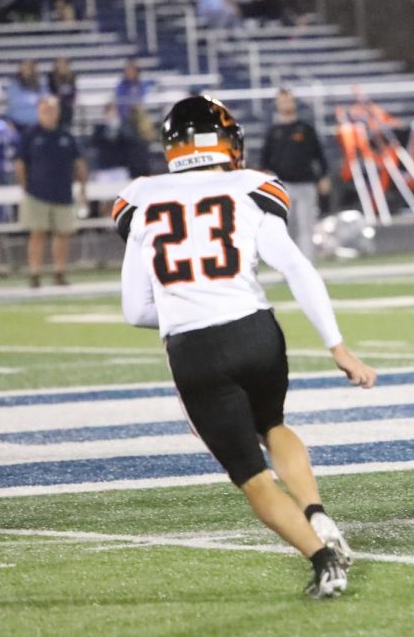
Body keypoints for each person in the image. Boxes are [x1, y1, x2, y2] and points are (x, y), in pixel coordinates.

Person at [112, 95, 374, 598]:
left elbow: (135, 311)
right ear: (226, 141)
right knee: (272, 425)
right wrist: (337, 346)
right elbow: (298, 268)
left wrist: (183, 309)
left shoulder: (140, 199)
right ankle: (316, 512)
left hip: (195, 348)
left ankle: (324, 562)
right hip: (256, 331)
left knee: (253, 478)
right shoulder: (249, 187)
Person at [13, 95, 88, 288]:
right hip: (37, 193)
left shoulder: (66, 136)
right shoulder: (31, 135)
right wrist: (25, 187)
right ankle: (34, 273)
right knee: (37, 234)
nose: (49, 114)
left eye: (53, 110)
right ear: (39, 111)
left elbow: (79, 163)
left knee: (62, 234)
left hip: (62, 192)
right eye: (45, 110)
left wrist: (83, 188)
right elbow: (20, 163)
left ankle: (59, 272)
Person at [260, 90, 331, 256]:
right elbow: (264, 161)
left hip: (305, 184)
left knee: (306, 227)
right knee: (286, 228)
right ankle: (290, 267)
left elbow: (319, 155)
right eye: (282, 101)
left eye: (288, 101)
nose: (286, 104)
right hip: (283, 186)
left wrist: (323, 176)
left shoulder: (305, 129)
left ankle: (306, 267)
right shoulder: (273, 132)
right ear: (277, 104)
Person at [4, 59, 43, 128]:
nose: (27, 72)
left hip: (36, 125)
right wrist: (9, 121)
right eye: (24, 70)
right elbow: (10, 106)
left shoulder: (41, 86)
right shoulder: (13, 87)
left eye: (29, 69)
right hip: (17, 124)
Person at [48, 58, 78, 129]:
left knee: (66, 124)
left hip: (67, 106)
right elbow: (52, 91)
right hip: (56, 107)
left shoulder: (72, 76)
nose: (62, 65)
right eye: (60, 63)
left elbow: (73, 91)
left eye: (64, 63)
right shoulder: (51, 76)